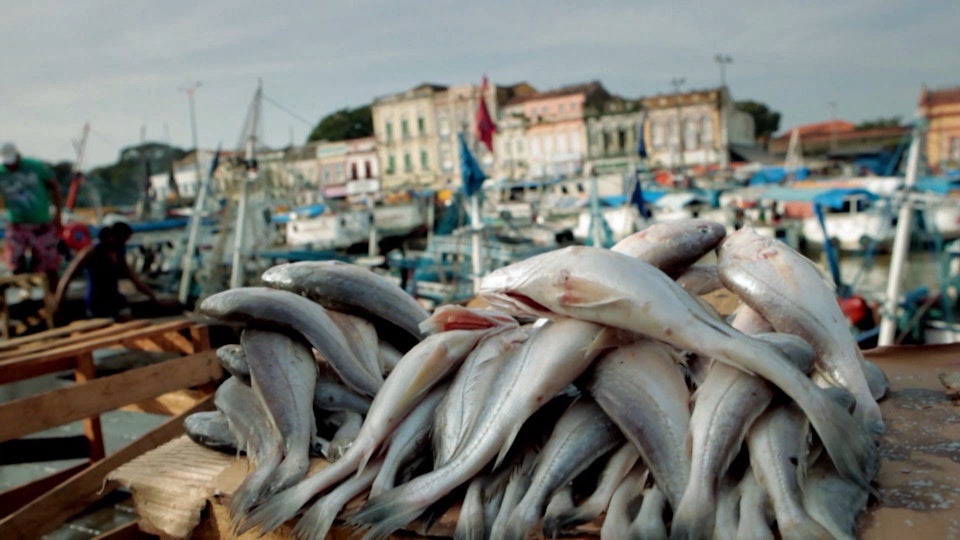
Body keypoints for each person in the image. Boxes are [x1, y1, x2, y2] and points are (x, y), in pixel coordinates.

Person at [0, 142, 63, 291]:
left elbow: (54, 186)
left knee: (48, 263)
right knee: (15, 261)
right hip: (16, 223)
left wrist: (58, 214)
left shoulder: (35, 167)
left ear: (18, 156)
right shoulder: (2, 173)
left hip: (41, 223)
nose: (10, 167)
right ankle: (24, 296)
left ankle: (55, 300)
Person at [83, 222, 176, 320]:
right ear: (112, 237)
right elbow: (69, 275)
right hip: (97, 300)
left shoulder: (119, 251)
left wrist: (154, 297)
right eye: (123, 240)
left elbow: (133, 277)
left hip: (115, 297)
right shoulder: (92, 252)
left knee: (127, 318)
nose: (124, 243)